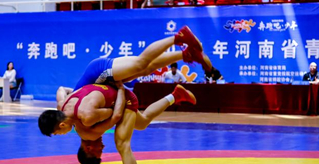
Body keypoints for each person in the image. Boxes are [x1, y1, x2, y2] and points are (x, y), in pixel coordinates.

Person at [40, 25, 211, 136]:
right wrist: (78, 93)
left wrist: (116, 92)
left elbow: (112, 114)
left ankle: (178, 37)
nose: (60, 136)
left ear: (61, 125)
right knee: (145, 72)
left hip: (99, 73)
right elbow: (61, 89)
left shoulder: (81, 115)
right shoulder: (62, 106)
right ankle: (185, 58)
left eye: (56, 134)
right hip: (103, 84)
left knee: (140, 63)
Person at [76, 84, 197, 164]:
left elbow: (115, 116)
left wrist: (119, 89)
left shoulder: (89, 127)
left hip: (121, 99)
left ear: (88, 148)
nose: (103, 146)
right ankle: (175, 96)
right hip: (116, 98)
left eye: (99, 150)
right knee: (143, 122)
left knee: (122, 144)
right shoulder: (82, 125)